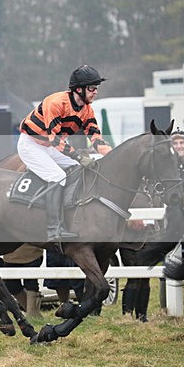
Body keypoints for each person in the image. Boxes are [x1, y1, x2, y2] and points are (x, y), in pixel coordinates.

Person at [18, 65, 112, 242]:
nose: (95, 92)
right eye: (92, 88)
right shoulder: (56, 103)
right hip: (31, 144)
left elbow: (95, 137)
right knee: (58, 176)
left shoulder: (87, 109)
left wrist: (112, 155)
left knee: (78, 169)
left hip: (49, 145)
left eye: (96, 88)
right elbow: (55, 140)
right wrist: (78, 156)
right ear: (79, 89)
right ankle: (54, 229)